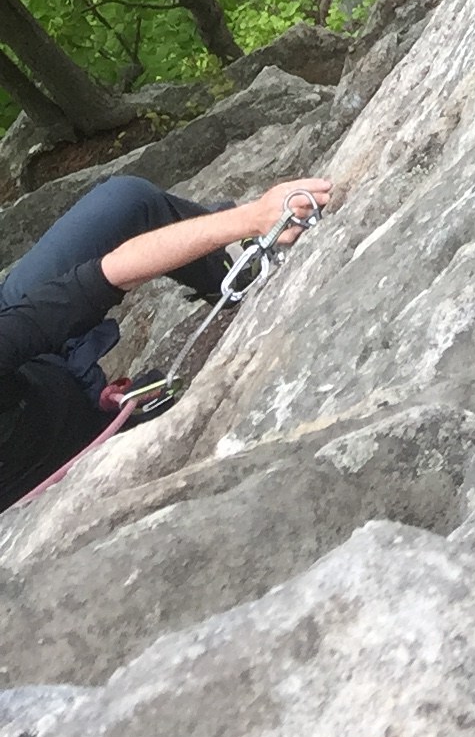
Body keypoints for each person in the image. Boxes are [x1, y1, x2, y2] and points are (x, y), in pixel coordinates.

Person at [0, 168, 334, 510]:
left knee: (126, 203)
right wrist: (252, 217)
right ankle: (232, 269)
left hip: (27, 362)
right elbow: (111, 273)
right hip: (54, 428)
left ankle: (227, 267)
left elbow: (104, 276)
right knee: (126, 203)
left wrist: (251, 218)